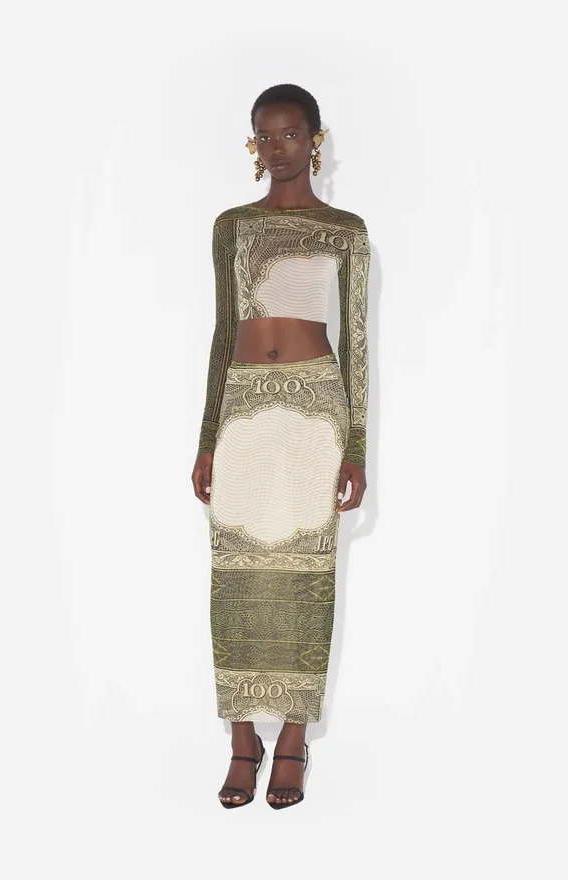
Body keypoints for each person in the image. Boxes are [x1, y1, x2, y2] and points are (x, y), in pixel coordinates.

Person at [191, 83, 370, 809]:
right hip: (242, 408)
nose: (277, 148)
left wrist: (357, 446)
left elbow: (355, 342)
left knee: (306, 571)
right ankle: (243, 740)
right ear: (253, 144)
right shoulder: (232, 226)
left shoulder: (344, 230)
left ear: (314, 140)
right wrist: (207, 436)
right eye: (265, 135)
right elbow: (221, 334)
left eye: (291, 134)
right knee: (234, 568)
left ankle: (292, 738)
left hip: (314, 412)